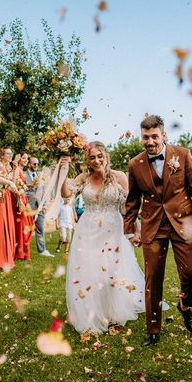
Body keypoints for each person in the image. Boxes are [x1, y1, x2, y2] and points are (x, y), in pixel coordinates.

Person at [123, 115, 192, 347]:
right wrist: (130, 230)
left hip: (184, 224)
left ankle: (185, 305)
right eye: (145, 137)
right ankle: (153, 330)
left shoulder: (182, 155)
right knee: (153, 279)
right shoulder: (135, 164)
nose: (150, 141)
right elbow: (132, 200)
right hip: (153, 227)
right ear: (141, 137)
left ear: (164, 135)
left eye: (154, 136)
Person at [60, 142, 144, 334]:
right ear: (87, 161)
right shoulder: (83, 178)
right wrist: (64, 170)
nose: (97, 160)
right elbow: (66, 193)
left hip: (113, 229)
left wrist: (134, 231)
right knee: (90, 270)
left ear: (106, 156)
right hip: (87, 230)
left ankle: (112, 311)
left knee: (112, 271)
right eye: (92, 158)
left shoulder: (119, 177)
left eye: (100, 156)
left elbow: (130, 207)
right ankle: (91, 310)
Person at [25, 156, 54, 257]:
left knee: (40, 228)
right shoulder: (24, 175)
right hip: (28, 206)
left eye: (37, 164)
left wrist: (45, 205)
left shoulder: (40, 176)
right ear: (29, 164)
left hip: (40, 207)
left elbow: (44, 192)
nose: (36, 166)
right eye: (34, 164)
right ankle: (24, 251)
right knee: (25, 230)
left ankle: (42, 250)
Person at [12, 153, 34, 260]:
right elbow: (13, 185)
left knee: (29, 224)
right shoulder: (16, 170)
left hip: (24, 199)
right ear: (19, 159)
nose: (26, 160)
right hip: (19, 200)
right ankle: (21, 252)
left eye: (27, 158)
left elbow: (21, 185)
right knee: (23, 225)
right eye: (24, 158)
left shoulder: (22, 171)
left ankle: (24, 251)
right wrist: (19, 199)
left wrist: (29, 186)